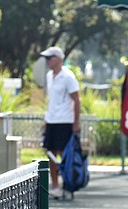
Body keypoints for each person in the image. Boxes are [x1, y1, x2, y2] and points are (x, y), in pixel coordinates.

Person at [41, 46, 80, 198]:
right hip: (51, 120)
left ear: (58, 59)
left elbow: (76, 100)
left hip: (65, 121)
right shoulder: (49, 76)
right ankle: (55, 186)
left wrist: (76, 122)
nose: (47, 61)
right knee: (50, 153)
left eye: (50, 58)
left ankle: (68, 186)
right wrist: (46, 119)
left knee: (66, 154)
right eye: (46, 58)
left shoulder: (68, 77)